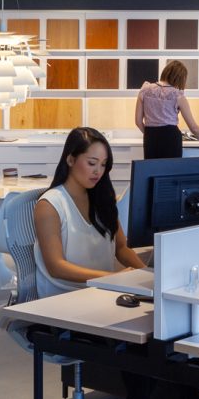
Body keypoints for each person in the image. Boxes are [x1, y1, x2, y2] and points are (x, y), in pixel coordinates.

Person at [33, 127, 147, 297]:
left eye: (103, 165)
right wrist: (113, 278)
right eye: (92, 163)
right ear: (70, 160)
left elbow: (121, 247)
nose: (98, 171)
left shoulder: (103, 199)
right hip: (64, 296)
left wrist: (145, 274)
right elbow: (55, 267)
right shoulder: (50, 204)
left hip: (102, 291)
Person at [134, 60, 199, 158]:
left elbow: (138, 121)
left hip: (150, 138)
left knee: (152, 171)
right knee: (171, 171)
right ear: (180, 78)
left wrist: (150, 135)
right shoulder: (178, 95)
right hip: (171, 139)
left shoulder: (145, 90)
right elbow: (193, 127)